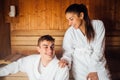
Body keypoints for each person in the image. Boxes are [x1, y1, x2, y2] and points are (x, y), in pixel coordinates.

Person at [59, 3, 111, 80]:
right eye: (68, 20)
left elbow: (98, 50)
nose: (69, 23)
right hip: (79, 66)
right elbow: (68, 52)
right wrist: (65, 60)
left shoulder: (98, 25)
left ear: (81, 15)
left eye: (71, 19)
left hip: (97, 64)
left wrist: (93, 69)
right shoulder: (70, 32)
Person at [0, 35, 69, 80]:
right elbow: (16, 65)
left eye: (52, 47)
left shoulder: (62, 68)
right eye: (46, 47)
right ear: (38, 49)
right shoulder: (31, 60)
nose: (50, 50)